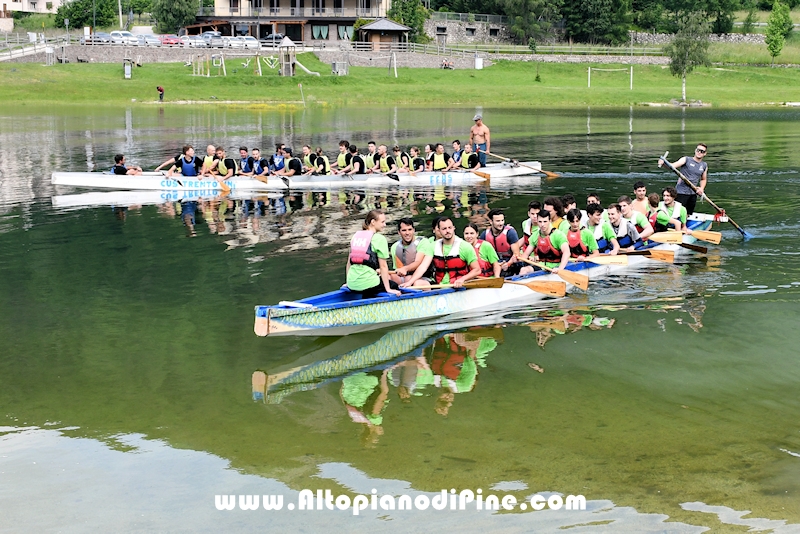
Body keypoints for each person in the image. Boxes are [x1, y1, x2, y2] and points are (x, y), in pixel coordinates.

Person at [402, 217, 480, 288]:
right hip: (439, 284)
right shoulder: (433, 246)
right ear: (439, 230)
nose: (447, 231)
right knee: (417, 283)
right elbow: (423, 267)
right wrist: (409, 282)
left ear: (453, 228)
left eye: (449, 228)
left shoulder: (465, 246)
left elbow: (477, 270)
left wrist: (462, 279)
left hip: (457, 285)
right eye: (444, 229)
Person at [345, 209, 401, 299]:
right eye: (382, 222)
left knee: (376, 279)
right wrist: (388, 289)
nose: (384, 225)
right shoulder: (379, 238)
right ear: (373, 222)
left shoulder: (356, 236)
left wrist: (348, 283)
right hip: (367, 284)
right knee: (393, 285)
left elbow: (349, 263)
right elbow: (383, 267)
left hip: (351, 284)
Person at [658, 143, 707, 215]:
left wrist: (701, 188)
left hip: (693, 193)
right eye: (698, 150)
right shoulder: (686, 159)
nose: (699, 152)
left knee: (689, 214)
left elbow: (703, 179)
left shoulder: (704, 165)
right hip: (681, 192)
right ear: (695, 150)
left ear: (705, 153)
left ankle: (685, 225)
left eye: (702, 151)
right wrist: (664, 163)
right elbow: (673, 166)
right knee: (678, 214)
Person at [390, 218, 434, 287]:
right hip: (405, 277)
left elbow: (418, 262)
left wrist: (405, 269)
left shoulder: (423, 242)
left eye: (410, 229)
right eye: (404, 230)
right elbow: (398, 269)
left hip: (424, 278)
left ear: (414, 230)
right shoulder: (394, 247)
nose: (407, 233)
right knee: (389, 277)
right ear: (399, 232)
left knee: (409, 279)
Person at [479, 208, 522, 277]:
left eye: (502, 220)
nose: (501, 223)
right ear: (491, 221)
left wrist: (508, 264)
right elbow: (479, 254)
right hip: (494, 263)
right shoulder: (484, 235)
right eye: (498, 221)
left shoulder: (510, 233)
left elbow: (516, 254)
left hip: (509, 263)